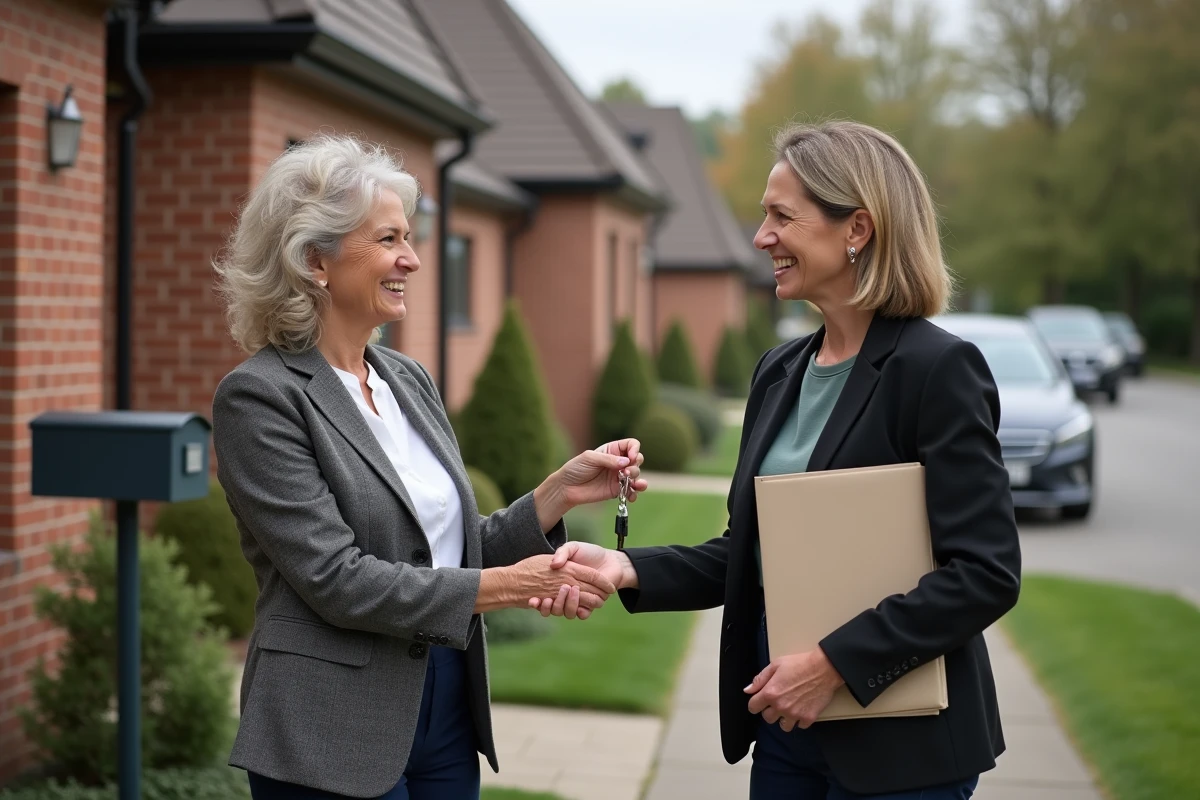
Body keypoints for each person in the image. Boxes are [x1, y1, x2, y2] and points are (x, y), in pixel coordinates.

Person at [543, 120, 1021, 799]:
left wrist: (832, 665)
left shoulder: (937, 369)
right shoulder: (778, 371)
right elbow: (750, 550)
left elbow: (984, 573)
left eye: (781, 217)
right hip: (786, 727)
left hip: (903, 748)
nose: (761, 237)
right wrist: (626, 567)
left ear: (858, 229)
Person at [210, 135, 646, 800]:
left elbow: (444, 549)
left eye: (409, 239)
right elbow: (337, 579)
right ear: (315, 259)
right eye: (388, 239)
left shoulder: (406, 379)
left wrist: (556, 494)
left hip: (444, 704)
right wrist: (509, 586)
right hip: (330, 724)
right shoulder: (260, 398)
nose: (412, 259)